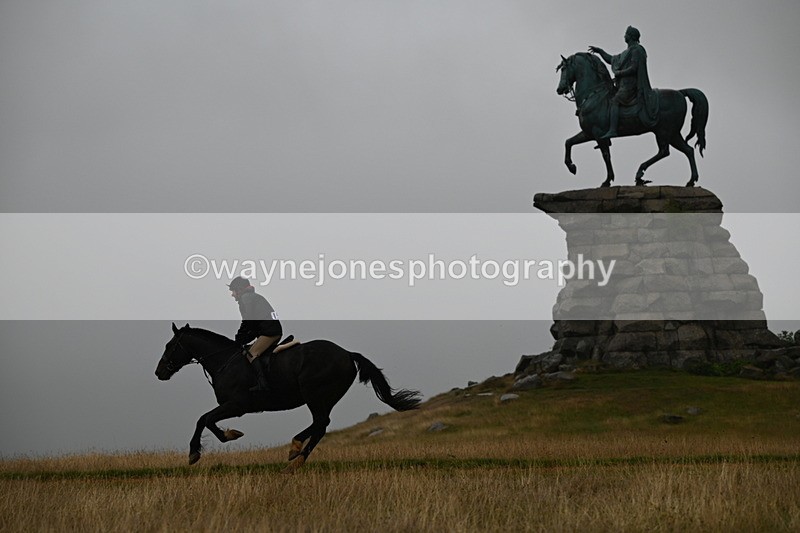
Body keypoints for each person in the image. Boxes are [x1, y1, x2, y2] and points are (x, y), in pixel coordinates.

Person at [589, 26, 658, 139]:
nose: (624, 36)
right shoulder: (626, 52)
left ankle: (613, 130)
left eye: (626, 34)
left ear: (630, 36)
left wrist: (620, 73)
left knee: (615, 101)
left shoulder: (637, 50)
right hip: (623, 85)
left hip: (631, 86)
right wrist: (600, 51)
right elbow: (612, 60)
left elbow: (634, 68)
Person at [228, 276, 282, 392]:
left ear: (240, 289)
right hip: (270, 330)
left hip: (269, 332)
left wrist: (239, 339)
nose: (232, 295)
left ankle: (263, 385)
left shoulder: (246, 298)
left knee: (251, 354)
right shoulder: (252, 297)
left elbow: (248, 322)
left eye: (233, 291)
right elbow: (253, 324)